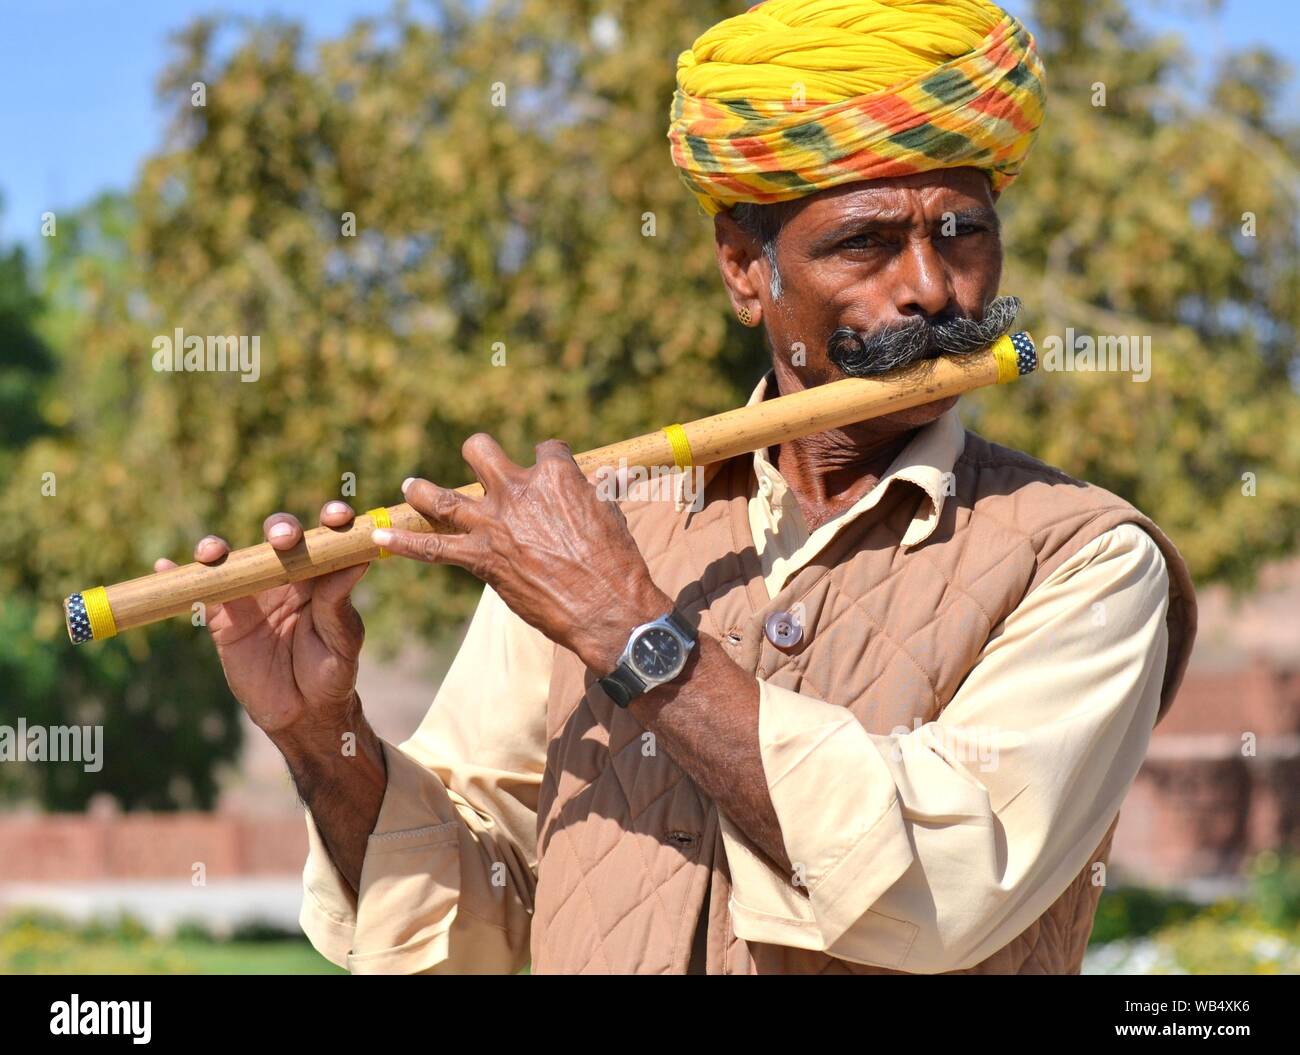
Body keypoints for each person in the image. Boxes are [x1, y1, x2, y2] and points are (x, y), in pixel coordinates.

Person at [158, 0, 1196, 974]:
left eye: (961, 233)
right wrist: (318, 734)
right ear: (747, 271)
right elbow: (476, 918)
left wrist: (623, 623)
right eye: (867, 241)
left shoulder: (1089, 558)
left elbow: (939, 892)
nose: (929, 285)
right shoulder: (588, 537)